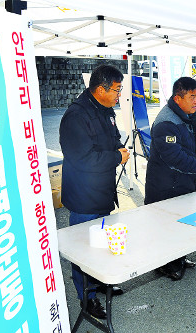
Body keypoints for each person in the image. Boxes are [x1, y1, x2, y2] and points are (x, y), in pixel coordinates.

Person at [59, 64, 130, 319]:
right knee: (83, 250)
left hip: (102, 193)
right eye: (117, 90)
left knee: (101, 243)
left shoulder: (106, 109)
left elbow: (113, 138)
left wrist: (119, 149)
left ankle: (99, 282)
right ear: (100, 89)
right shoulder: (76, 116)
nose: (119, 95)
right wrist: (116, 157)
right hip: (83, 197)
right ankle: (86, 298)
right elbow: (83, 160)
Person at [145, 76, 196, 280]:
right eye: (192, 96)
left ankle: (179, 257)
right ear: (177, 98)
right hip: (166, 185)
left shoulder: (191, 116)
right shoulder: (166, 122)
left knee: (183, 222)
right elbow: (175, 158)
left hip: (185, 182)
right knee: (166, 225)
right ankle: (164, 264)